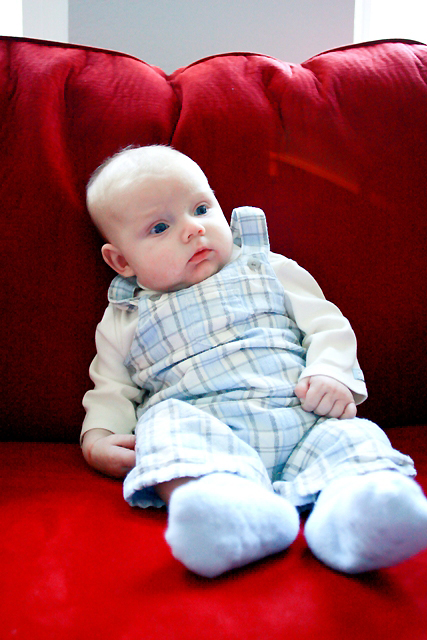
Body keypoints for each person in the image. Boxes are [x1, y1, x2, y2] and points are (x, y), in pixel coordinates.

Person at [81, 145, 427, 578]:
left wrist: (330, 372)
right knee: (161, 426)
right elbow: (111, 388)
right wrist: (99, 438)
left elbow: (326, 326)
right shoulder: (124, 318)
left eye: (201, 208)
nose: (193, 229)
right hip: (205, 437)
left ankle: (359, 517)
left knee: (352, 439)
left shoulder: (267, 267)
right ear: (121, 261)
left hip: (304, 417)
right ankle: (231, 512)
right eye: (160, 227)